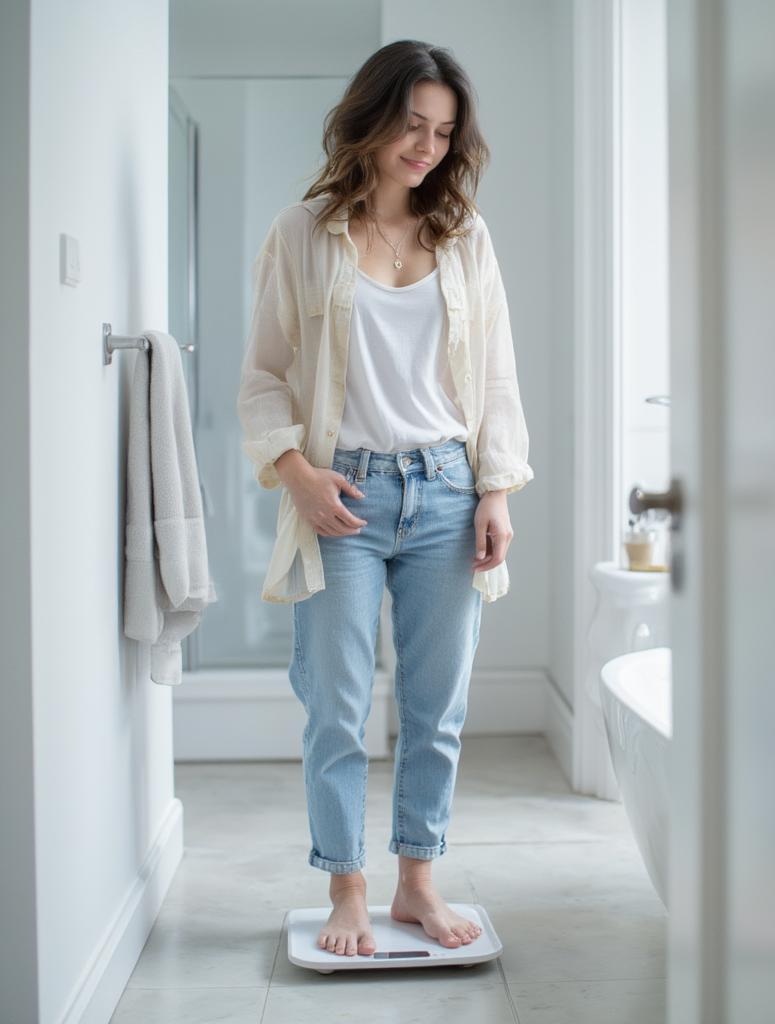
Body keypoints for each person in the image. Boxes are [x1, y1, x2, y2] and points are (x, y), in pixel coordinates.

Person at [235, 40, 533, 959]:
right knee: (335, 702)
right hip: (345, 495)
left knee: (436, 706)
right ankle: (348, 888)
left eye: (444, 133)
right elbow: (264, 378)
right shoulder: (301, 232)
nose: (428, 148)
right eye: (413, 126)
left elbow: (494, 381)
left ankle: (416, 883)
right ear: (371, 120)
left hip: (447, 488)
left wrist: (496, 492)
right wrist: (297, 475)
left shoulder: (465, 235)